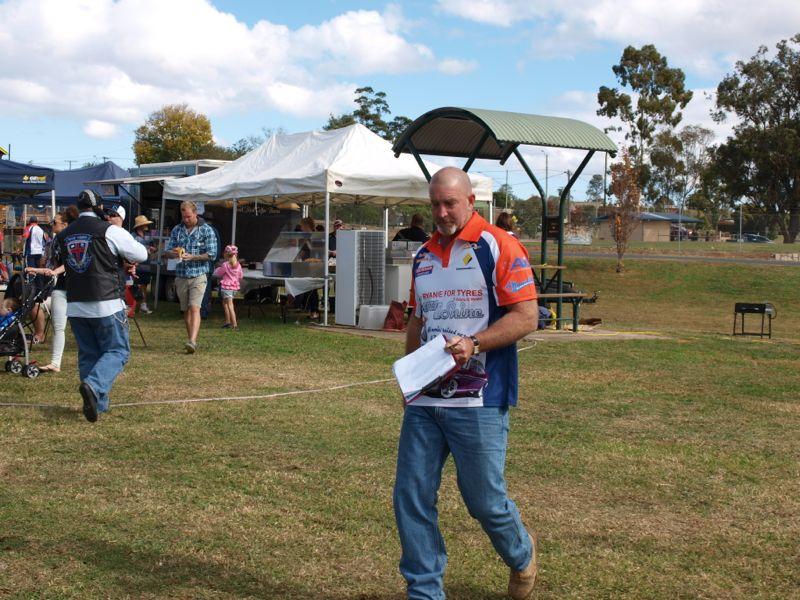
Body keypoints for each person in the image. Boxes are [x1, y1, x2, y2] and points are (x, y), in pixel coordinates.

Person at [393, 167, 540, 600]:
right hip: (426, 399)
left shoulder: (498, 245)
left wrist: (474, 344)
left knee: (484, 501)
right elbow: (418, 321)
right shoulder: (423, 256)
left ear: (471, 201)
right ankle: (424, 591)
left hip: (481, 399)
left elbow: (526, 316)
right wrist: (411, 381)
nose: (441, 212)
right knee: (411, 495)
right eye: (434, 204)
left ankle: (521, 554)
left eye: (450, 203)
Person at [53, 190, 147, 422]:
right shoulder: (109, 230)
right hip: (106, 301)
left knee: (89, 354)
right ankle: (94, 386)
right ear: (99, 207)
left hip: (75, 303)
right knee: (118, 351)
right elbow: (141, 254)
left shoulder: (63, 234)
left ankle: (97, 405)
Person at [24, 207, 78, 372]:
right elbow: (51, 267)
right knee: (58, 326)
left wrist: (54, 272)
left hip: (78, 289)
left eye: (54, 222)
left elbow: (71, 262)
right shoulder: (54, 241)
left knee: (83, 326)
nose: (51, 224)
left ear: (65, 224)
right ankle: (55, 363)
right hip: (61, 287)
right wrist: (36, 270)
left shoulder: (72, 240)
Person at [165, 200, 218, 354]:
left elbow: (212, 254)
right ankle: (190, 339)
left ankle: (192, 341)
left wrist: (193, 257)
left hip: (199, 274)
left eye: (188, 216)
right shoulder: (177, 229)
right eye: (184, 217)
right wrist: (174, 253)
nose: (186, 219)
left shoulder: (206, 230)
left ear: (196, 213)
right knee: (186, 309)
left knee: (195, 307)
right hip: (181, 275)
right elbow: (167, 252)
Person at [214, 245, 243, 329]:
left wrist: (217, 269)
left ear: (226, 255)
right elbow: (241, 276)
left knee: (230, 305)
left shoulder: (225, 265)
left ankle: (234, 324)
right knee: (225, 303)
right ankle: (227, 322)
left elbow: (219, 273)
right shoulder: (238, 265)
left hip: (226, 287)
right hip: (234, 287)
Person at [132, 215, 156, 314]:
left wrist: (153, 249)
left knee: (145, 285)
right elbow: (132, 249)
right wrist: (146, 249)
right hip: (137, 265)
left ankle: (142, 305)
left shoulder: (148, 235)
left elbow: (154, 246)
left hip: (147, 265)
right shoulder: (133, 236)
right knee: (136, 286)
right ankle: (135, 306)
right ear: (139, 226)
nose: (146, 226)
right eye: (144, 224)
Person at [199, 211, 221, 319]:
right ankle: (204, 311)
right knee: (206, 288)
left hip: (202, 263)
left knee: (201, 289)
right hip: (210, 264)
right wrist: (216, 261)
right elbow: (218, 248)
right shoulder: (215, 231)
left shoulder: (202, 230)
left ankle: (202, 312)